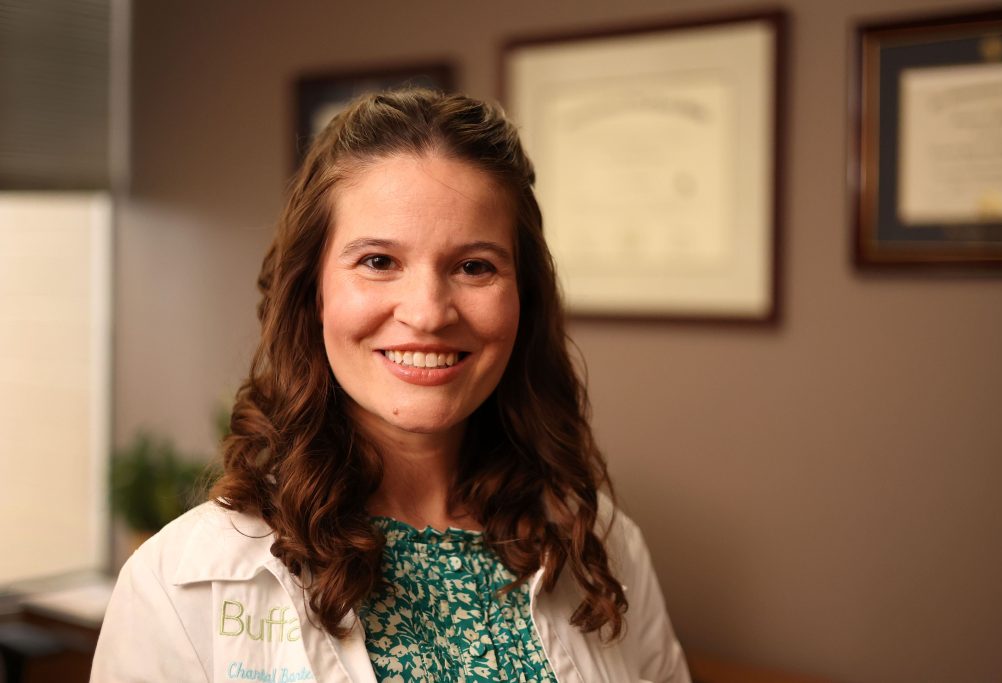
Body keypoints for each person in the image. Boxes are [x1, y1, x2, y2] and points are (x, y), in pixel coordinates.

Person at [92, 88, 690, 682]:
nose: (428, 313)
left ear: (523, 298)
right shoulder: (177, 588)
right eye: (378, 261)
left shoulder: (604, 547)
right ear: (313, 292)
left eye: (474, 266)